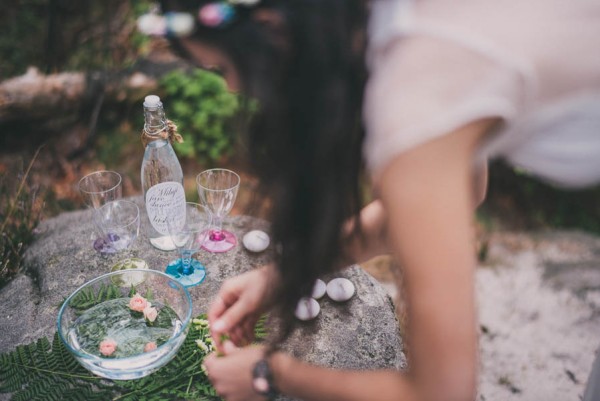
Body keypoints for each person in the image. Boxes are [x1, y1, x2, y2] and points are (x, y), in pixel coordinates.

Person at [148, 0, 600, 400]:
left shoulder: (411, 93)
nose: (231, 89)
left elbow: (442, 392)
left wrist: (271, 374)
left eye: (224, 70)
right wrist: (284, 275)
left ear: (274, 28)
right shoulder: (381, 22)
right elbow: (467, 193)